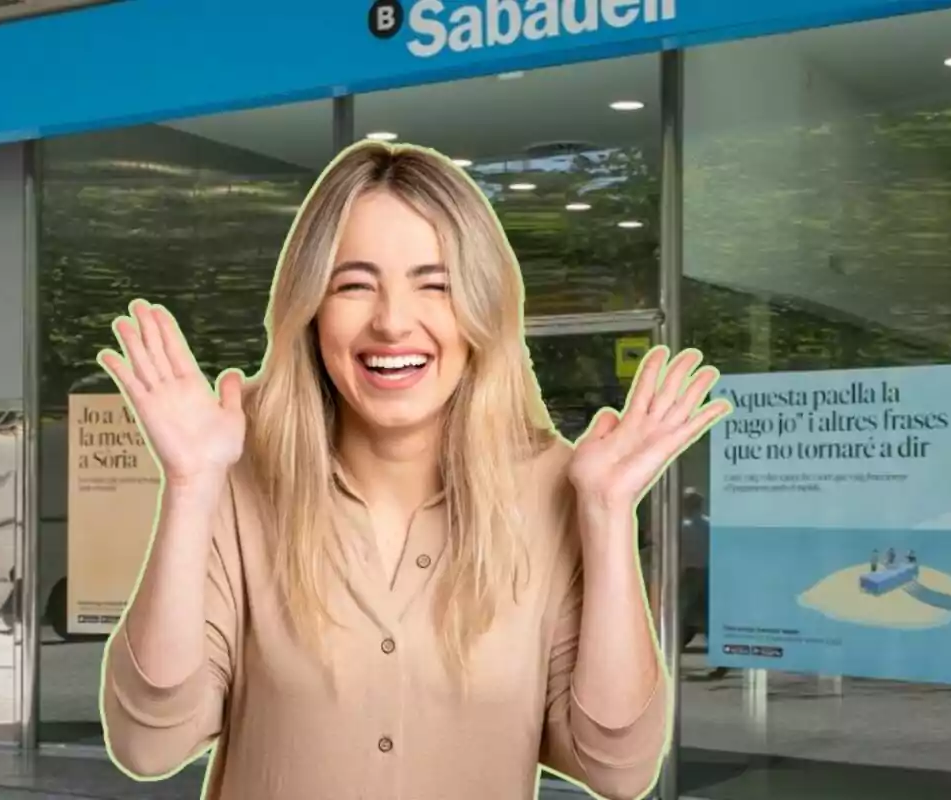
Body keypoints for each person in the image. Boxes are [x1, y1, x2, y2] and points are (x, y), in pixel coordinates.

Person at [95, 141, 729, 800]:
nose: (393, 322)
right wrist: (192, 488)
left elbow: (618, 767)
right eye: (353, 284)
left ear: (482, 311)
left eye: (436, 285)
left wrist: (605, 515)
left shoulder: (555, 489)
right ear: (311, 312)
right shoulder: (238, 477)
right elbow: (149, 743)